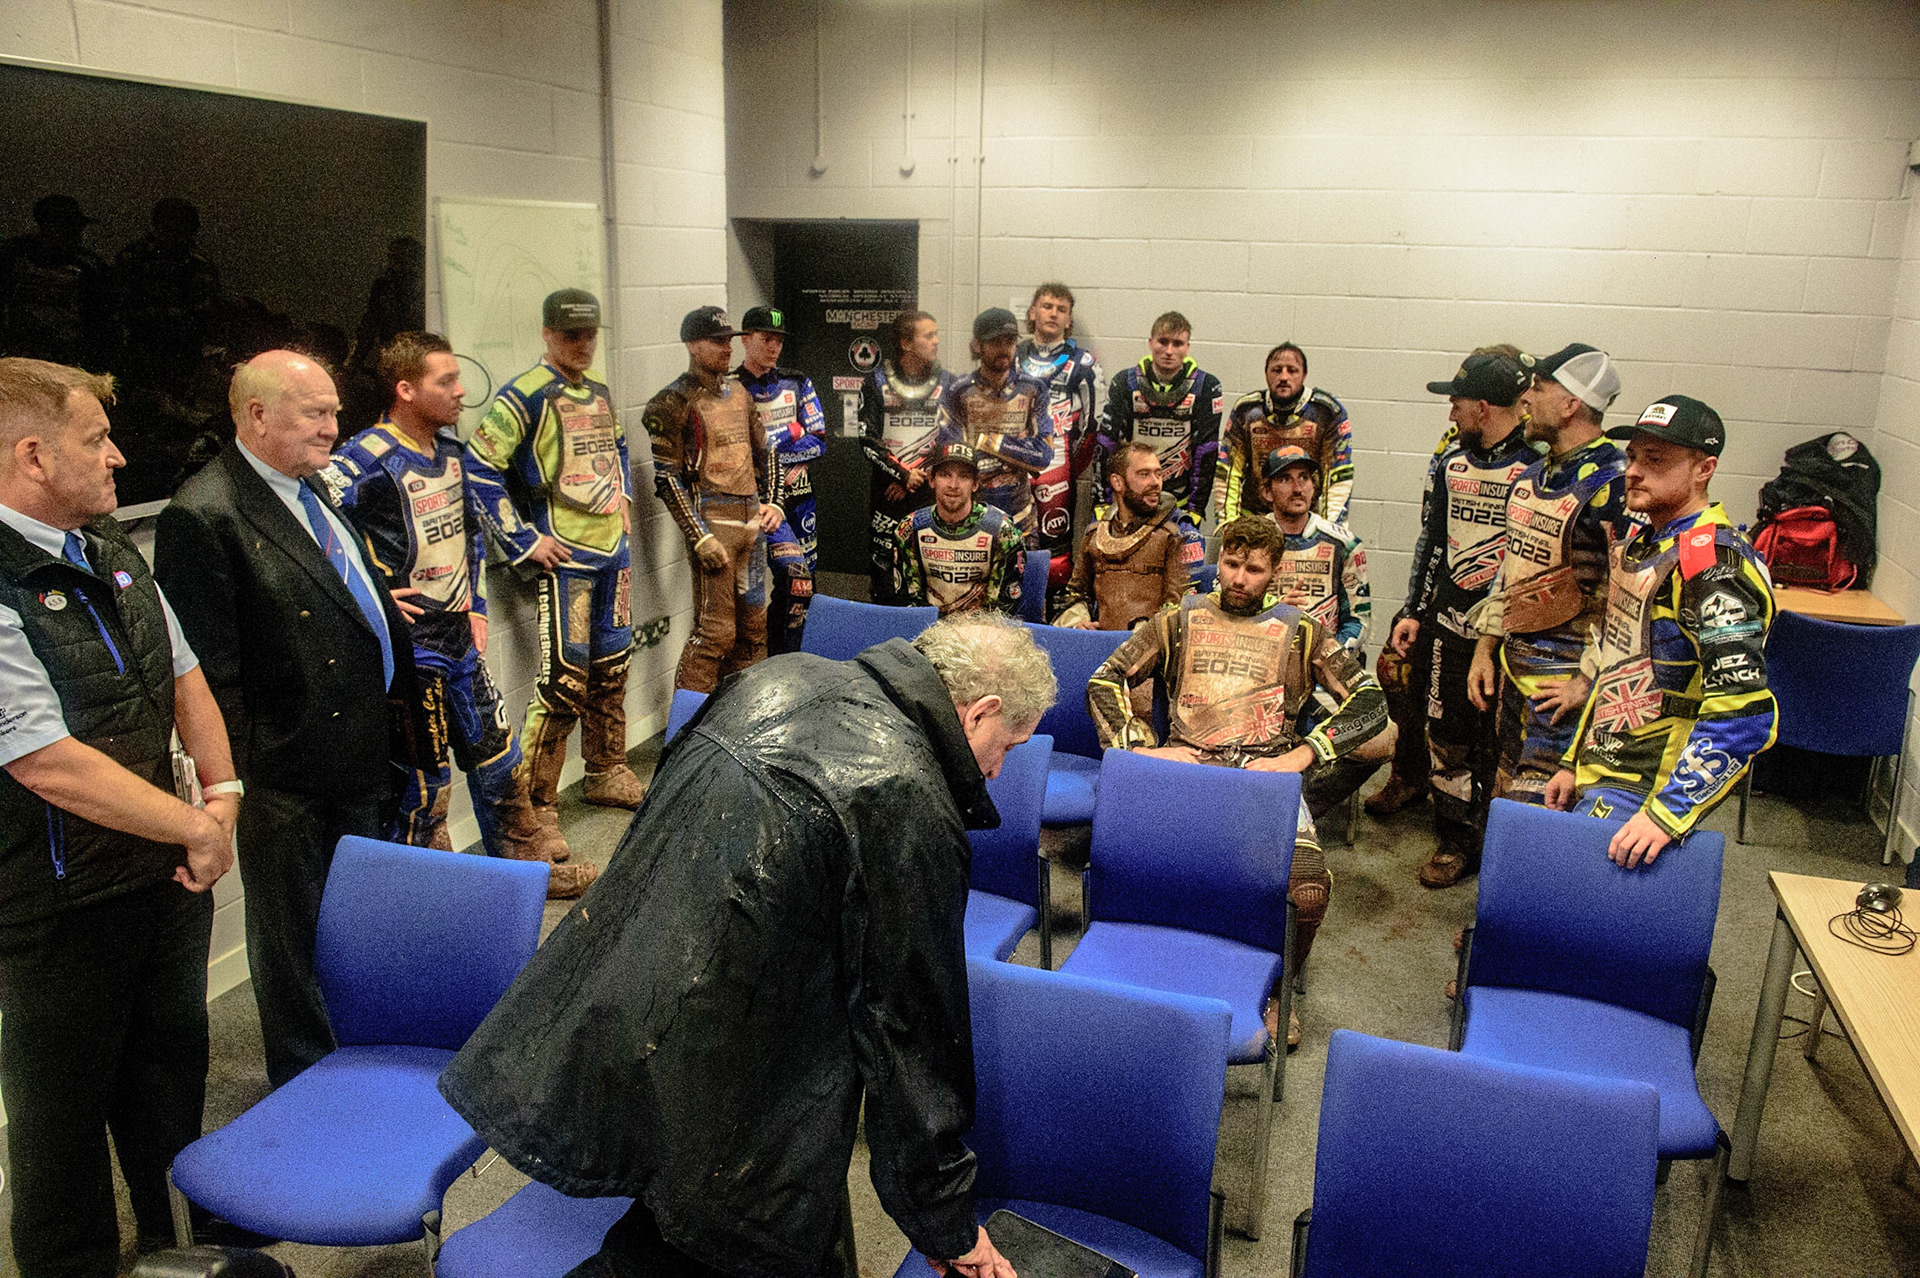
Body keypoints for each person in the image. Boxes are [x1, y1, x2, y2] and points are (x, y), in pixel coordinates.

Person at [439, 613, 1054, 1278]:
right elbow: (910, 1030)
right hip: (736, 1083)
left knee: (670, 1241)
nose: (996, 772)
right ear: (979, 713)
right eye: (1008, 746)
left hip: (626, 1004)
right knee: (706, 1247)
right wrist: (945, 1223)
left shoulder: (775, 677)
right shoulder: (906, 794)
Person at [0, 358, 236, 1277]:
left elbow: (184, 675)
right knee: (60, 1132)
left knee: (167, 1090)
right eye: (95, 439)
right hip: (60, 908)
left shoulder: (109, 550)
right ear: (32, 455)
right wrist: (194, 829)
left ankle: (177, 1249)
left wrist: (222, 799)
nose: (118, 456)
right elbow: (45, 760)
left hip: (162, 885)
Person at [155, 349, 422, 1088]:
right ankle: (310, 1088)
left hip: (358, 755)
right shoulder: (203, 514)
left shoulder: (311, 486)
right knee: (295, 945)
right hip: (284, 775)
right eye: (318, 414)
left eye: (336, 412)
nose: (336, 427)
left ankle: (360, 1057)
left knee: (354, 929)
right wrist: (236, 784)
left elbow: (329, 589)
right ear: (257, 415)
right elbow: (208, 674)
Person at [1086, 515, 1388, 1047]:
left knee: (1310, 890)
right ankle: (1144, 974)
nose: (1240, 578)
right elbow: (1103, 679)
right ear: (1217, 561)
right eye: (1231, 564)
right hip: (1190, 773)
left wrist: (1305, 752)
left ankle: (1278, 988)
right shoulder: (1177, 618)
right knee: (1128, 866)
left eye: (1254, 568)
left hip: (1263, 782)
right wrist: (1145, 749)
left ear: (1274, 571)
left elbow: (1371, 702)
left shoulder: (1303, 629)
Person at [320, 332, 596, 898]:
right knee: (425, 784)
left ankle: (525, 876)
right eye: (445, 381)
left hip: (458, 637)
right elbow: (314, 531)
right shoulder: (363, 458)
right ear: (405, 389)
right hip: (408, 649)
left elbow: (471, 532)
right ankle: (434, 900)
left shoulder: (453, 452)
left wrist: (475, 605)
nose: (460, 391)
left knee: (499, 757)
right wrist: (367, 591)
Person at [1545, 396, 1777, 867]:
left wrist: (1668, 812)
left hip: (1647, 789)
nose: (1633, 471)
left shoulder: (1711, 564)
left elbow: (1744, 715)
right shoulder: (1646, 542)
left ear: (1703, 469)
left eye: (1655, 460)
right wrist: (1574, 760)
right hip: (1604, 766)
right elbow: (1618, 664)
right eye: (1633, 456)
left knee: (1579, 914)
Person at [465, 289, 647, 835]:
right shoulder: (523, 395)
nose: (584, 344)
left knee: (613, 668)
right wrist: (522, 540)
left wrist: (625, 502)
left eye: (590, 334)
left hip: (613, 551)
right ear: (547, 334)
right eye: (572, 335)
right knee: (564, 681)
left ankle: (607, 768)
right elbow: (478, 468)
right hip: (565, 558)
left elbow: (615, 448)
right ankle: (539, 803)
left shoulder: (601, 391)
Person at [1391, 350, 1536, 889]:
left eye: (1455, 400)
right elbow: (1431, 541)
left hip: (1512, 635)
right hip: (1447, 621)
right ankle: (1452, 836)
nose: (1449, 410)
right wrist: (1413, 611)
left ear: (1481, 405)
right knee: (1446, 735)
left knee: (1501, 745)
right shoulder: (1450, 460)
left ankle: (1493, 843)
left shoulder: (1538, 467)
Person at [1465, 344, 1627, 810]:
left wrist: (1587, 683)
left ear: (1571, 404)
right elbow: (1509, 569)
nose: (1526, 398)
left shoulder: (1613, 485)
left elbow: (1628, 600)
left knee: (1540, 812)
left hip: (1564, 687)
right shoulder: (1533, 474)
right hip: (1515, 673)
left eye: (1538, 387)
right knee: (1505, 792)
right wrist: (1485, 647)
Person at [646, 305, 780, 692]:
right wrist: (698, 535)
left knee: (755, 630)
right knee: (716, 633)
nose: (726, 348)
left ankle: (745, 720)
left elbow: (767, 450)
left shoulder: (739, 391)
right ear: (691, 345)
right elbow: (667, 479)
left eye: (729, 341)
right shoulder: (671, 402)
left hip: (751, 521)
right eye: (716, 341)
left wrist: (773, 502)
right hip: (715, 522)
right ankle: (686, 730)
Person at [734, 305, 825, 653]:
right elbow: (738, 453)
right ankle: (758, 658)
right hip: (754, 503)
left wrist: (772, 447)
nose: (774, 347)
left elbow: (818, 442)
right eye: (765, 339)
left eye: (778, 340)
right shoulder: (731, 388)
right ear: (745, 340)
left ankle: (790, 656)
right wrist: (791, 431)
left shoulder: (797, 382)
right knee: (749, 590)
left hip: (799, 499)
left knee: (803, 586)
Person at [935, 307, 1053, 542]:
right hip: (971, 516)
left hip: (1021, 517)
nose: (1004, 348)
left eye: (1009, 341)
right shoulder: (958, 391)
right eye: (995, 341)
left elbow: (1043, 456)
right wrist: (1019, 449)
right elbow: (953, 458)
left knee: (1024, 577)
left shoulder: (1033, 389)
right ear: (978, 345)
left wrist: (986, 440)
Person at [1096, 312, 1222, 530]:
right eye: (1163, 342)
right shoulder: (1125, 382)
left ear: (1188, 347)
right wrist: (1102, 501)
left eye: (1178, 343)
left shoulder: (1206, 386)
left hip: (1180, 503)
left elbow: (1207, 451)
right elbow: (1107, 445)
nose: (1169, 351)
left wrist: (1196, 509)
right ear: (1150, 343)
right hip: (1130, 500)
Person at [858, 310, 952, 602]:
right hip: (888, 491)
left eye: (936, 334)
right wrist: (901, 474)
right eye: (929, 335)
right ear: (906, 344)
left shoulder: (946, 381)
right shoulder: (875, 381)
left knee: (929, 568)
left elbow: (950, 438)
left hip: (929, 489)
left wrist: (917, 474)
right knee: (885, 568)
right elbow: (866, 439)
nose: (936, 341)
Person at [1016, 283, 1103, 589]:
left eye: (1061, 309)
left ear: (1069, 320)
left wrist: (1067, 465)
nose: (1053, 314)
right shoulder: (1012, 356)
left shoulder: (1083, 364)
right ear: (1032, 312)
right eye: (1047, 306)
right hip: (1012, 463)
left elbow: (1093, 426)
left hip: (1060, 468)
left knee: (1056, 547)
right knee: (1013, 540)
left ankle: (1053, 617)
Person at [1054, 440, 1191, 631]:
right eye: (1144, 474)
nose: (1156, 482)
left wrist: (1149, 635)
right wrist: (1079, 624)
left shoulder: (1177, 534)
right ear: (1117, 482)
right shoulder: (1094, 535)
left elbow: (1181, 607)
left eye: (1158, 474)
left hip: (1151, 649)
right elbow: (1075, 594)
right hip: (1100, 646)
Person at [1218, 343, 1355, 529]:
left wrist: (1333, 529)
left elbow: (1338, 473)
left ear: (1304, 375)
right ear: (1266, 373)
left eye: (1292, 370)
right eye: (1276, 370)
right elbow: (1228, 470)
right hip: (1254, 520)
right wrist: (1228, 524)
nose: (1284, 377)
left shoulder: (1327, 412)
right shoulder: (1247, 410)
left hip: (1304, 521)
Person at [893, 440, 1026, 617]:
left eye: (963, 476)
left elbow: (1001, 612)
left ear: (975, 484)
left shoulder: (1003, 533)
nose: (953, 485)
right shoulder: (910, 529)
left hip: (982, 636)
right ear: (932, 480)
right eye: (945, 475)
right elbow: (909, 604)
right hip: (928, 632)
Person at [1262, 445, 1369, 651]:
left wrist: (1329, 657)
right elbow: (1231, 614)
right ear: (1267, 491)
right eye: (1285, 478)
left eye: (1304, 477)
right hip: (1262, 656)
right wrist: (1274, 613)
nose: (1297, 489)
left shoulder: (1345, 544)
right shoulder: (1247, 541)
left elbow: (1358, 620)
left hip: (1324, 663)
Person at [0, 195, 113, 369]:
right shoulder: (11, 258)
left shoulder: (89, 268)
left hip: (67, 361)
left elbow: (101, 324)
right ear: (47, 227)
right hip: (18, 359)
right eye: (69, 228)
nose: (76, 236)